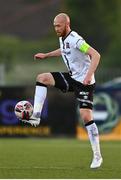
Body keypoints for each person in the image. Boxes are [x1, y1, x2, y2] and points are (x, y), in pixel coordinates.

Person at [21, 13, 103, 168]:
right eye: (55, 26)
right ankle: (36, 115)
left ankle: (97, 156)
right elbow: (63, 50)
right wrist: (46, 55)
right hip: (72, 78)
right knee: (42, 78)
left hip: (85, 82)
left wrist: (88, 76)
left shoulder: (76, 39)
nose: (56, 29)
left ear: (67, 24)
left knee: (85, 117)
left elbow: (96, 55)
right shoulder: (63, 38)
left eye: (58, 26)